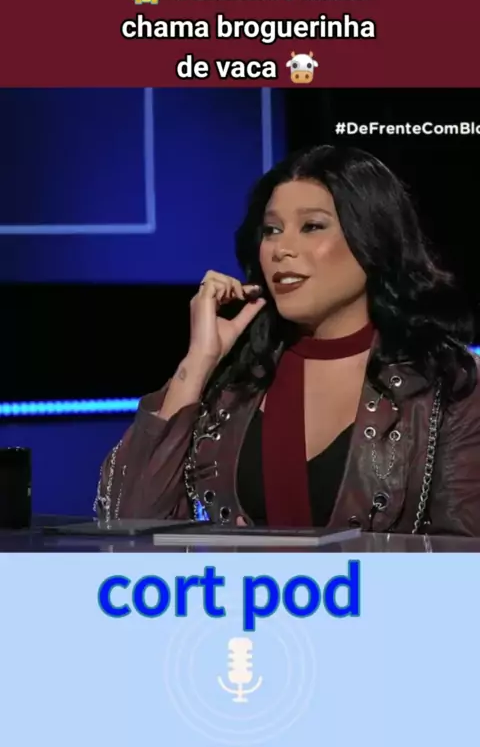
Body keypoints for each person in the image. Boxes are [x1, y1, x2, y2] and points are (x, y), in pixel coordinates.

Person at [94, 145, 480, 536]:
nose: (282, 249)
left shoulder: (447, 383)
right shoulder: (232, 382)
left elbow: (465, 552)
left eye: (312, 226)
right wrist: (197, 363)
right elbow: (125, 525)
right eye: (272, 231)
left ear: (373, 238)